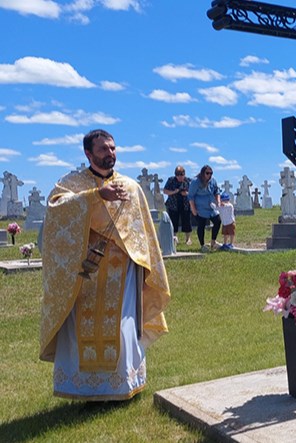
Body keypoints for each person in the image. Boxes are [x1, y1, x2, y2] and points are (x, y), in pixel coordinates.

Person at [39, 129, 170, 400]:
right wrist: (97, 196)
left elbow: (142, 233)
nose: (110, 153)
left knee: (122, 327)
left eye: (112, 148)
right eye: (103, 149)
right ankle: (83, 388)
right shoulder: (72, 183)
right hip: (86, 272)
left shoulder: (131, 187)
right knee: (81, 329)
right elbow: (56, 208)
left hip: (122, 274)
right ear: (88, 153)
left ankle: (121, 385)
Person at [188, 165, 222, 252]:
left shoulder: (213, 181)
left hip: (211, 207)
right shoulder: (195, 182)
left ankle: (213, 242)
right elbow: (191, 196)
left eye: (211, 173)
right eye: (207, 173)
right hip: (200, 208)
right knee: (201, 225)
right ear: (203, 173)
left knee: (217, 221)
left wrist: (218, 201)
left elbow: (216, 191)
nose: (209, 175)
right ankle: (202, 245)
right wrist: (193, 209)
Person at [163, 165, 192, 245]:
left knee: (187, 221)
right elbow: (165, 191)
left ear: (184, 174)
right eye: (178, 175)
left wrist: (186, 194)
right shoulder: (171, 180)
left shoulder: (188, 181)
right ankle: (174, 238)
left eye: (181, 175)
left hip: (185, 204)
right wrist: (174, 192)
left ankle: (188, 239)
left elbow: (193, 193)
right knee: (173, 222)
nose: (180, 177)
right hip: (173, 204)